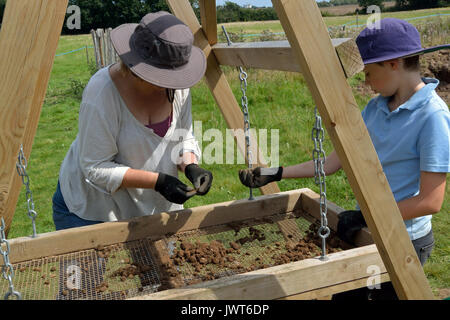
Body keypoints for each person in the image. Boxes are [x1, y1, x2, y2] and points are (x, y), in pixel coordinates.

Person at [239, 18, 449, 299]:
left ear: (393, 64)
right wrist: (276, 173)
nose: (367, 82)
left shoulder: (432, 117)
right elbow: (333, 162)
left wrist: (366, 216)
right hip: (368, 232)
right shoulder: (375, 109)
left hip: (405, 241)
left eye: (369, 73)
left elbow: (430, 201)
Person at [52, 11, 212, 230]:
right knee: (93, 267)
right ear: (140, 69)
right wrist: (158, 182)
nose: (173, 83)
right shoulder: (102, 93)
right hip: (91, 210)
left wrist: (191, 165)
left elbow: (183, 137)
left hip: (149, 207)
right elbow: (95, 167)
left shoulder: (178, 88)